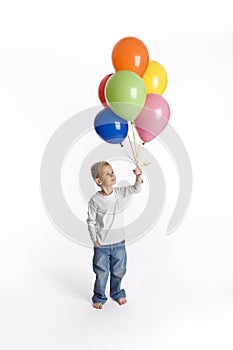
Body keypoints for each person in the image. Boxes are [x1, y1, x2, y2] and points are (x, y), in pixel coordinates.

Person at [86, 161, 143, 309]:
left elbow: (136, 189)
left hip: (119, 243)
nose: (112, 175)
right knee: (102, 273)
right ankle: (99, 296)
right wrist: (95, 240)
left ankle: (116, 292)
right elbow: (91, 221)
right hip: (102, 245)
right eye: (107, 173)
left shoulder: (119, 193)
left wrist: (138, 177)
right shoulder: (95, 200)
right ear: (98, 181)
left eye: (112, 172)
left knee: (119, 271)